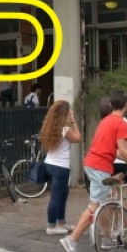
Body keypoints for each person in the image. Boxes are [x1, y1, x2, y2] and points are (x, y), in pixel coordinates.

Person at [60, 91, 127, 252]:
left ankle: (110, 237)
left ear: (111, 105)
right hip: (100, 167)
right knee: (94, 207)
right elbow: (123, 150)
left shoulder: (105, 121)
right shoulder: (122, 123)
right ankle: (72, 240)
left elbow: (114, 150)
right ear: (126, 105)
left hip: (93, 164)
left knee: (106, 203)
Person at [40, 100, 80, 235]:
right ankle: (51, 226)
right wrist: (73, 121)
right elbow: (78, 138)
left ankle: (61, 222)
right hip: (61, 166)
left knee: (63, 194)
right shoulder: (65, 130)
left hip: (50, 164)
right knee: (56, 197)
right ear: (65, 113)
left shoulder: (48, 128)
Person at [100, 96, 127, 183]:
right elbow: (123, 148)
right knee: (117, 186)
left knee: (109, 187)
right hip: (118, 162)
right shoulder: (124, 123)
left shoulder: (104, 122)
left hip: (108, 161)